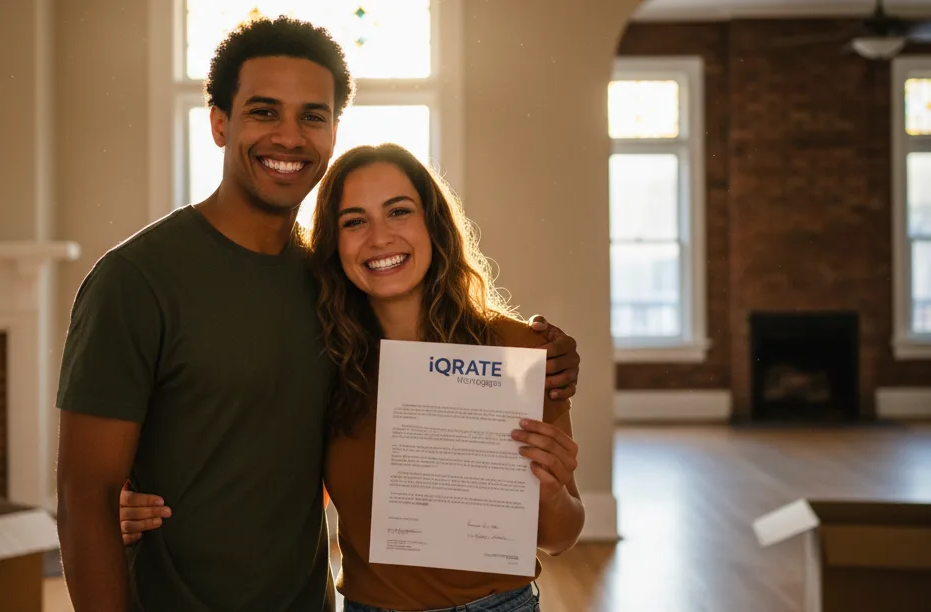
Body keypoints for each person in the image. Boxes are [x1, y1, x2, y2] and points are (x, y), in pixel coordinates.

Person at [55, 15, 582, 612]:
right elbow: (85, 495)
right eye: (264, 111)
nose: (289, 137)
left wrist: (547, 365)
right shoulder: (134, 280)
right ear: (220, 123)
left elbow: (305, 454)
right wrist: (123, 504)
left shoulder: (335, 293)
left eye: (312, 116)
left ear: (332, 132)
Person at [120, 143, 586, 612]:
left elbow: (560, 538)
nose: (379, 238)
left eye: (398, 211)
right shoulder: (328, 361)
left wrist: (548, 491)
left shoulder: (519, 352)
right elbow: (263, 469)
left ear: (433, 223)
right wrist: (137, 501)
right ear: (334, 244)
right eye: (354, 221)